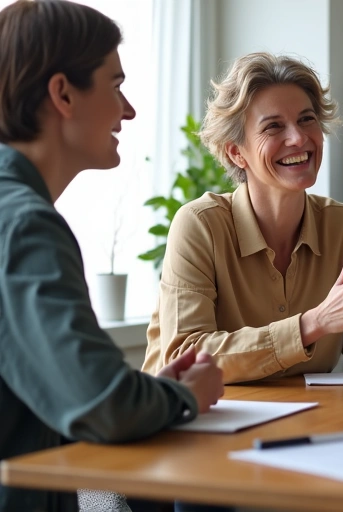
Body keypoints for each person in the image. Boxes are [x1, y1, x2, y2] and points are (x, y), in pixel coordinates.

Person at [0, 1, 225, 511]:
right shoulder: (24, 226)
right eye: (114, 84)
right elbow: (102, 407)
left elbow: (71, 386)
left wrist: (148, 392)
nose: (129, 110)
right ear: (62, 93)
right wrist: (190, 396)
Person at [143, 52, 343, 384]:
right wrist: (313, 323)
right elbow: (185, 357)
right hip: (198, 426)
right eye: (274, 126)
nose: (299, 138)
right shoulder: (199, 225)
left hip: (307, 421)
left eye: (306, 119)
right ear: (235, 152)